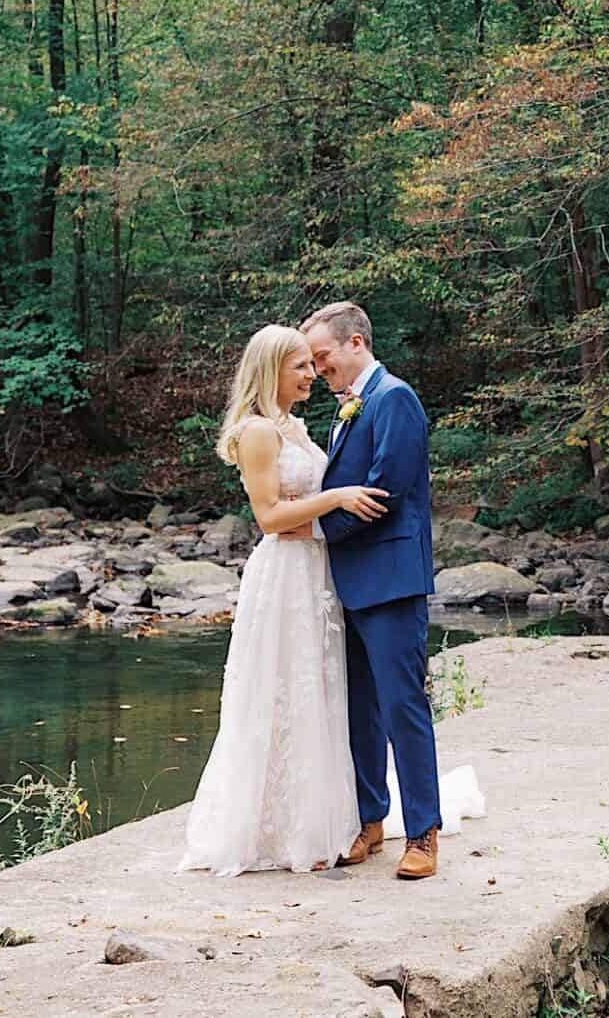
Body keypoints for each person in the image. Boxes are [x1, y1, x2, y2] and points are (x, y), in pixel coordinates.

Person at [175, 324, 387, 875]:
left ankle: (317, 817)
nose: (311, 374)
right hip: (285, 574)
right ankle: (273, 827)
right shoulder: (258, 433)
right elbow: (269, 517)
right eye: (299, 365)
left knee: (317, 686)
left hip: (315, 570)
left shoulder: (294, 426)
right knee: (281, 686)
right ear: (271, 369)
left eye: (311, 364)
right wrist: (335, 497)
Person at [302, 300, 444, 880]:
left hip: (389, 579)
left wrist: (314, 528)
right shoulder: (346, 409)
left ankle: (425, 834)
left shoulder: (394, 399)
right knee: (358, 707)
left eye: (323, 356)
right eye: (310, 362)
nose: (317, 370)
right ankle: (370, 819)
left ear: (355, 342)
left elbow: (384, 491)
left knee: (402, 705)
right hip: (348, 582)